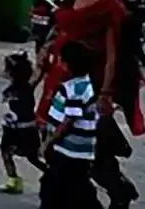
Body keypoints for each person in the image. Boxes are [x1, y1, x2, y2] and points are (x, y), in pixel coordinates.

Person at [40, 0, 141, 209]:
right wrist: (47, 48)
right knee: (57, 137)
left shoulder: (108, 7)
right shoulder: (71, 0)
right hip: (62, 75)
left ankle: (116, 188)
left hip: (92, 81)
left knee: (90, 144)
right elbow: (62, 30)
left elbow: (112, 52)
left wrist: (106, 92)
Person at [37, 42, 101, 209]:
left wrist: (49, 141)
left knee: (62, 190)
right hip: (72, 151)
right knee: (70, 188)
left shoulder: (75, 89)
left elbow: (69, 121)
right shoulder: (82, 84)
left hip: (71, 151)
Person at [0, 49, 40, 196]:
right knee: (29, 156)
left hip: (18, 129)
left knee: (16, 153)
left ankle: (14, 180)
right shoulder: (26, 88)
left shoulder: (12, 92)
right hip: (23, 128)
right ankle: (13, 180)